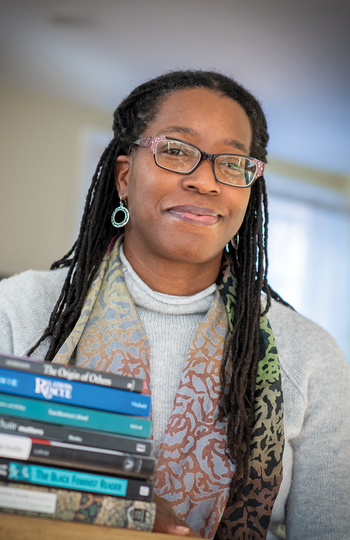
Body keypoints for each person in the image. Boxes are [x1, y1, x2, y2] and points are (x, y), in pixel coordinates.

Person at [0, 70, 349, 540]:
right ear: (125, 176)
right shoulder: (21, 310)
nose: (206, 181)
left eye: (231, 162)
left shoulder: (309, 355)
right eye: (177, 150)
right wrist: (104, 503)